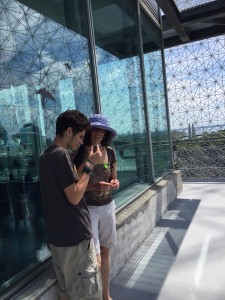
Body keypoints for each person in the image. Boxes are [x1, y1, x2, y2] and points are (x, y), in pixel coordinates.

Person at [39, 110, 103, 300]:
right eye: (81, 136)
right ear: (68, 131)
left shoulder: (45, 156)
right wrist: (90, 164)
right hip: (75, 239)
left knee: (68, 293)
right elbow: (74, 196)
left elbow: (62, 190)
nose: (81, 142)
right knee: (88, 294)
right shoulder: (61, 156)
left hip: (58, 240)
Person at [74, 114, 120, 300]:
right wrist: (94, 186)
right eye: (96, 128)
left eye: (103, 129)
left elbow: (113, 178)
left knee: (106, 251)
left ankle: (106, 295)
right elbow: (74, 185)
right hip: (89, 209)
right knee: (95, 257)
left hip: (108, 206)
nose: (99, 132)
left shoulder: (110, 152)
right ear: (88, 131)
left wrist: (115, 182)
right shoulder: (79, 152)